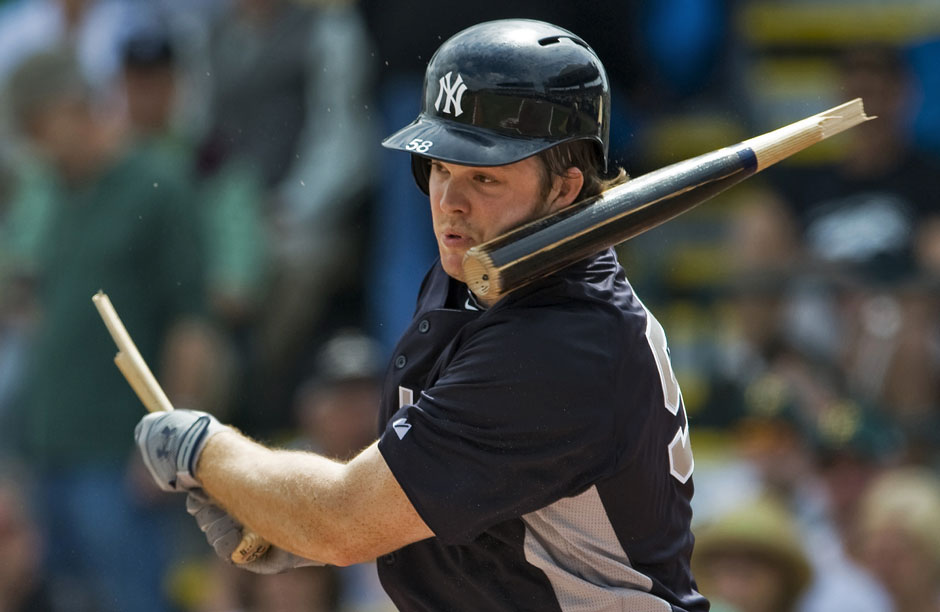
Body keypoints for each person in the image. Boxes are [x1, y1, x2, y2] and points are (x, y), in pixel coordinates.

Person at [134, 19, 709, 611]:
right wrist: (283, 522)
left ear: (565, 189)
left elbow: (343, 518)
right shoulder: (479, 268)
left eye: (484, 177)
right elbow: (443, 498)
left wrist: (206, 450)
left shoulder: (564, 339)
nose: (449, 203)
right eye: (440, 167)